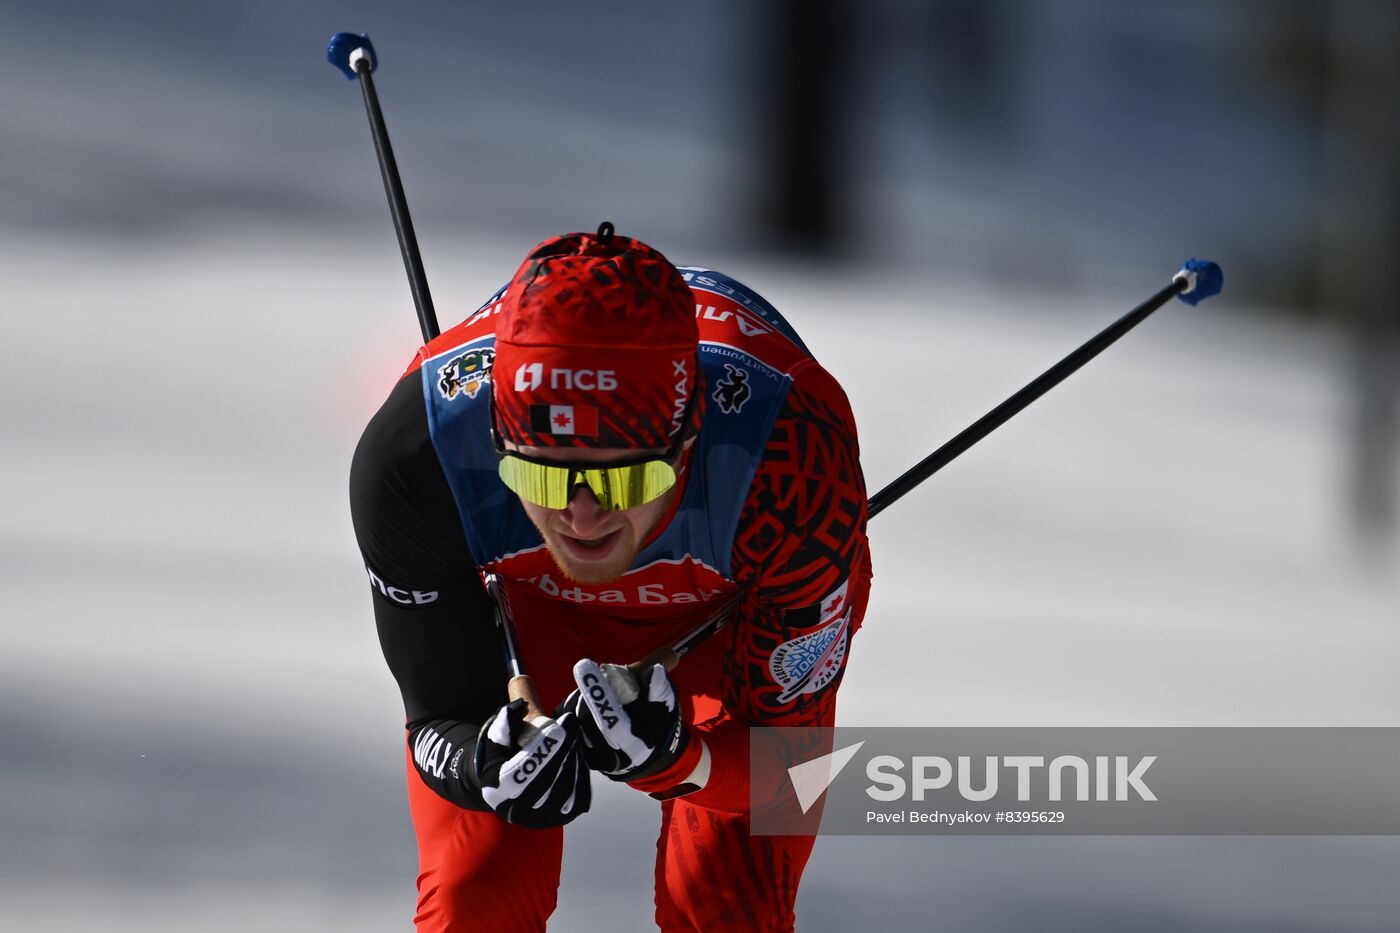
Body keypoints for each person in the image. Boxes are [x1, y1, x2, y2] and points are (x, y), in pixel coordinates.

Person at [349, 224, 872, 931]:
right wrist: (480, 762)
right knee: (476, 898)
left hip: (722, 629)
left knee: (724, 908)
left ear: (688, 442)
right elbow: (435, 716)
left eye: (625, 477)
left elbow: (790, 762)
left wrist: (680, 757)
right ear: (499, 444)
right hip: (530, 615)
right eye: (542, 473)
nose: (583, 516)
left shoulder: (789, 462)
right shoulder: (420, 454)